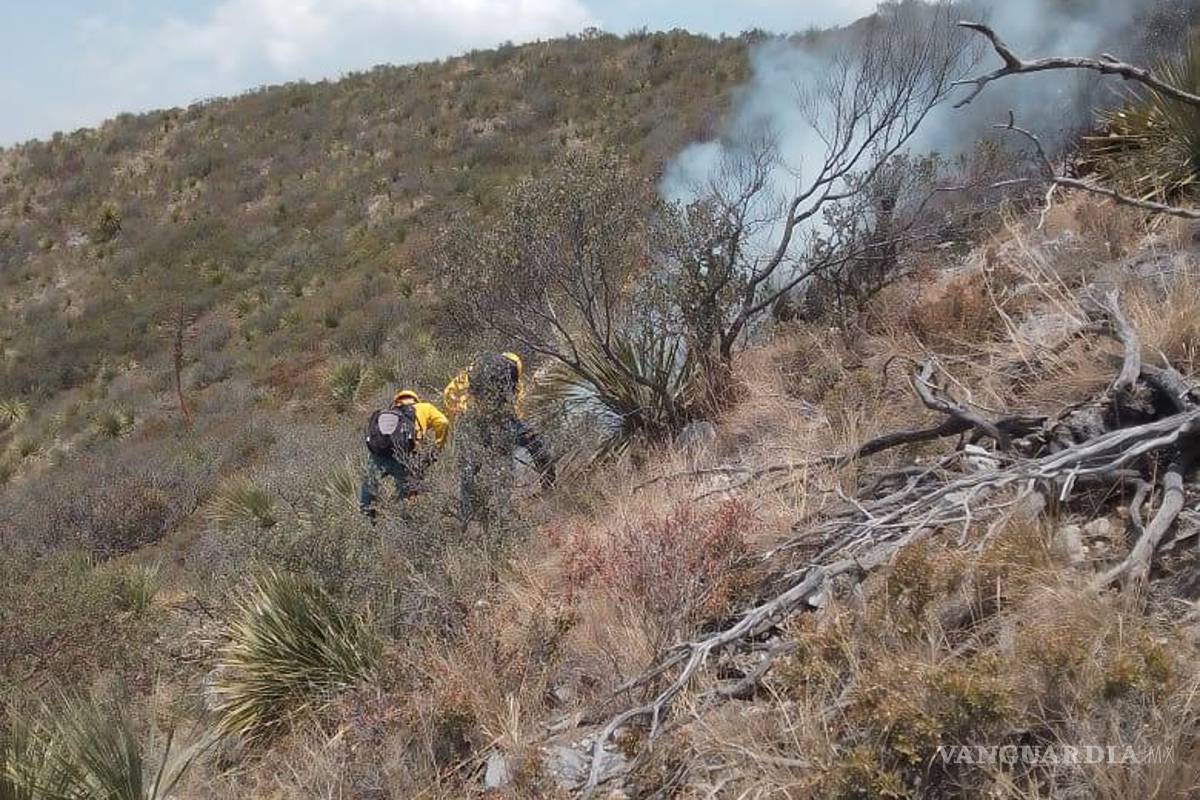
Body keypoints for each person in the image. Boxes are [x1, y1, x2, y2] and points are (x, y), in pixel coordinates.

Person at [445, 352, 555, 527]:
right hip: (502, 421)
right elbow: (514, 405)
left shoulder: (473, 368)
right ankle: (549, 486)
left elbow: (448, 393)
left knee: (469, 470)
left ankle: (465, 518)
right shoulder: (511, 371)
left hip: (473, 422)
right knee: (533, 444)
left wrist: (461, 414)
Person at [359, 389, 449, 519]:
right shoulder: (425, 408)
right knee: (407, 496)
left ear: (397, 400)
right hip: (405, 457)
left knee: (369, 485)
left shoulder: (389, 412)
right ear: (415, 399)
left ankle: (365, 520)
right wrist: (436, 448)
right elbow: (443, 422)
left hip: (379, 455)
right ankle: (406, 527)